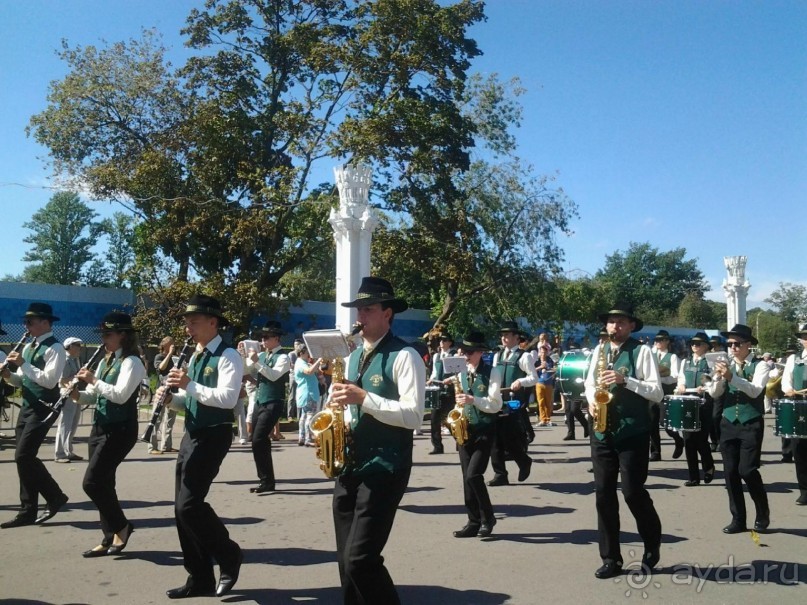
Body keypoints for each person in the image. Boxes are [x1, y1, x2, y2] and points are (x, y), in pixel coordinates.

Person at [329, 276, 425, 605]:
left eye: (368, 310)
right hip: (350, 464)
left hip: (385, 466)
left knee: (360, 558)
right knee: (345, 561)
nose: (360, 317)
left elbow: (413, 415)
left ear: (387, 314)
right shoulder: (352, 356)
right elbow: (349, 406)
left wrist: (364, 398)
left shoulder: (405, 356)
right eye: (358, 310)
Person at [156, 294, 244, 599]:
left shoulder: (229, 355)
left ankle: (229, 553)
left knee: (189, 505)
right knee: (181, 510)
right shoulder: (195, 355)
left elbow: (227, 399)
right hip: (192, 433)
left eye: (194, 321)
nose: (188, 327)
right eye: (186, 322)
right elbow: (191, 401)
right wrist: (172, 400)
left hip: (214, 435)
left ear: (213, 322)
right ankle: (199, 576)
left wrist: (188, 385)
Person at [584, 303, 663, 579]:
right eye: (611, 322)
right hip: (602, 430)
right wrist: (593, 401)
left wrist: (625, 379)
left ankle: (652, 543)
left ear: (631, 326)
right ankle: (611, 558)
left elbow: (656, 392)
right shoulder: (599, 351)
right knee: (603, 493)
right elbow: (590, 383)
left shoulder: (642, 351)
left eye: (621, 322)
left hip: (632, 431)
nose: (615, 326)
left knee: (632, 492)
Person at [73, 312, 146, 557]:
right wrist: (76, 395)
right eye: (103, 334)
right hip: (100, 426)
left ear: (123, 335)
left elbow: (120, 395)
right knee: (105, 483)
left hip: (120, 429)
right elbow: (96, 395)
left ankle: (122, 526)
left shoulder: (132, 362)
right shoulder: (107, 360)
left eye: (108, 334)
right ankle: (109, 536)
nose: (104, 339)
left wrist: (93, 378)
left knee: (92, 483)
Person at [1, 302, 68, 529]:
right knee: (23, 459)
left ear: (45, 322)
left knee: (24, 456)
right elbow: (23, 380)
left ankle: (55, 495)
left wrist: (23, 363)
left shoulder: (56, 348)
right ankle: (28, 509)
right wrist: (8, 374)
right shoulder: (29, 347)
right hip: (28, 404)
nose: (26, 325)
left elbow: (49, 381)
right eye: (25, 322)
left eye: (30, 322)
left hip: (43, 406)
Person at [709, 324, 771, 534]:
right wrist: (718, 379)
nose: (732, 348)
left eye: (736, 344)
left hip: (750, 422)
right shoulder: (726, 366)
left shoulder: (760, 366)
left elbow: (754, 391)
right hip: (728, 423)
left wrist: (731, 377)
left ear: (748, 345)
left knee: (748, 470)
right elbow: (715, 394)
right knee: (730, 473)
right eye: (729, 344)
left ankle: (762, 513)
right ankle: (738, 519)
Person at [450, 331, 503, 538]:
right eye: (464, 351)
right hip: (465, 430)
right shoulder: (460, 373)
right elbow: (459, 402)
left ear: (480, 353)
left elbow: (495, 404)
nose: (465, 355)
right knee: (466, 478)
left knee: (474, 475)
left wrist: (474, 400)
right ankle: (473, 521)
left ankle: (487, 518)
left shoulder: (493, 372)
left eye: (470, 352)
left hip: (485, 429)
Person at [488, 321, 538, 486]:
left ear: (517, 338)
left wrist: (520, 381)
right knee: (494, 438)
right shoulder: (498, 355)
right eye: (502, 335)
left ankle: (524, 462)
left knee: (510, 438)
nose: (504, 338)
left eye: (507, 335)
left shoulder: (524, 356)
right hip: (497, 400)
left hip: (513, 402)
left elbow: (533, 378)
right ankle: (500, 474)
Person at [244, 320, 290, 493]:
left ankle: (267, 481)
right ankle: (266, 480)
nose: (263, 341)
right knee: (257, 440)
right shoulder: (263, 355)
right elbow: (247, 370)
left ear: (277, 339)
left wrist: (257, 362)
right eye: (262, 338)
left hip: (273, 401)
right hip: (259, 401)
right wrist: (244, 357)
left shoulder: (283, 357)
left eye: (266, 338)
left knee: (258, 439)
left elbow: (273, 376)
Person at [674, 332, 716, 486]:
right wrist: (681, 386)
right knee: (688, 439)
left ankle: (708, 466)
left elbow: (713, 377)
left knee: (700, 439)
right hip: (688, 400)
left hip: (704, 401)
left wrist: (703, 386)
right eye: (692, 343)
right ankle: (693, 476)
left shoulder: (710, 362)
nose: (694, 346)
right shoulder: (686, 361)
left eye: (698, 344)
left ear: (706, 346)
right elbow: (681, 378)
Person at [777, 327, 807, 505]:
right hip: (799, 406)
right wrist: (788, 389)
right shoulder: (793, 359)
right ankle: (804, 489)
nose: (806, 340)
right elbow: (786, 380)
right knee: (800, 449)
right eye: (804, 337)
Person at [650, 330, 682, 461]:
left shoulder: (672, 357)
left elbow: (674, 377)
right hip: (652, 393)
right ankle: (655, 452)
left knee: (665, 423)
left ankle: (678, 439)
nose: (658, 342)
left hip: (665, 392)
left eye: (661, 340)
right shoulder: (651, 356)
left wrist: (659, 379)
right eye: (656, 340)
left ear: (667, 341)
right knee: (651, 424)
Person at [54, 337, 84, 463]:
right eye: (77, 345)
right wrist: (78, 377)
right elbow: (62, 380)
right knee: (65, 424)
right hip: (67, 393)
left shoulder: (75, 359)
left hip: (75, 393)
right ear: (70, 346)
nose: (80, 347)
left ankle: (68, 451)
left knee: (73, 423)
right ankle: (59, 453)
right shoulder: (65, 360)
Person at [427, 331, 457, 454]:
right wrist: (431, 379)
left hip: (450, 392)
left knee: (450, 419)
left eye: (444, 340)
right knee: (434, 419)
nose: (441, 342)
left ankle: (459, 441)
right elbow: (435, 372)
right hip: (438, 391)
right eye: (440, 340)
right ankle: (437, 446)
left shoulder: (454, 356)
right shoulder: (436, 356)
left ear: (450, 343)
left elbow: (459, 374)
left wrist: (450, 380)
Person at [149, 336, 178, 455]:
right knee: (156, 419)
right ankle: (152, 447)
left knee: (169, 420)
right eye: (171, 344)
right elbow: (161, 368)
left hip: (173, 391)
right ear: (165, 345)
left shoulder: (175, 358)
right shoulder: (159, 357)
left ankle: (166, 445)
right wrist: (170, 353)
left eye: (173, 344)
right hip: (161, 391)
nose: (173, 346)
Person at [294, 343, 322, 446]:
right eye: (307, 352)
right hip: (309, 393)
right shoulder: (301, 363)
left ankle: (302, 437)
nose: (309, 354)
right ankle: (308, 438)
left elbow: (314, 371)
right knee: (310, 416)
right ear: (301, 353)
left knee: (304, 416)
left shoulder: (301, 362)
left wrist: (316, 363)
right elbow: (309, 372)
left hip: (305, 393)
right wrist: (318, 360)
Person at [535, 346, 556, 427]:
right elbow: (532, 370)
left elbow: (553, 369)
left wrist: (549, 368)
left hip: (548, 383)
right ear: (539, 352)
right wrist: (540, 367)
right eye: (541, 352)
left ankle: (548, 419)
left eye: (544, 352)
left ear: (547, 352)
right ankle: (542, 419)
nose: (543, 354)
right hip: (539, 383)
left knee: (548, 402)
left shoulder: (550, 360)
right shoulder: (536, 361)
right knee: (541, 402)